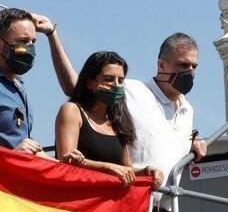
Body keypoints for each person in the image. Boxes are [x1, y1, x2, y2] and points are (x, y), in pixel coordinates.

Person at [124, 33, 208, 212]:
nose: (190, 72)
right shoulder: (132, 91)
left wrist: (191, 145)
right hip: (131, 211)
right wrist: (53, 35)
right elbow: (80, 92)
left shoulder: (187, 109)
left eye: (194, 66)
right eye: (183, 65)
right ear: (162, 65)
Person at [0, 8, 76, 155]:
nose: (30, 48)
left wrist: (65, 167)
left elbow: (23, 144)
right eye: (23, 41)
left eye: (33, 42)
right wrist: (13, 154)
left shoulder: (17, 85)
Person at [54, 51, 163, 189]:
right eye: (109, 79)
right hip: (76, 200)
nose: (116, 85)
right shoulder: (72, 111)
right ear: (90, 83)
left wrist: (146, 170)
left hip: (107, 206)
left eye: (121, 80)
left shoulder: (118, 122)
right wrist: (108, 167)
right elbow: (67, 160)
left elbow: (125, 169)